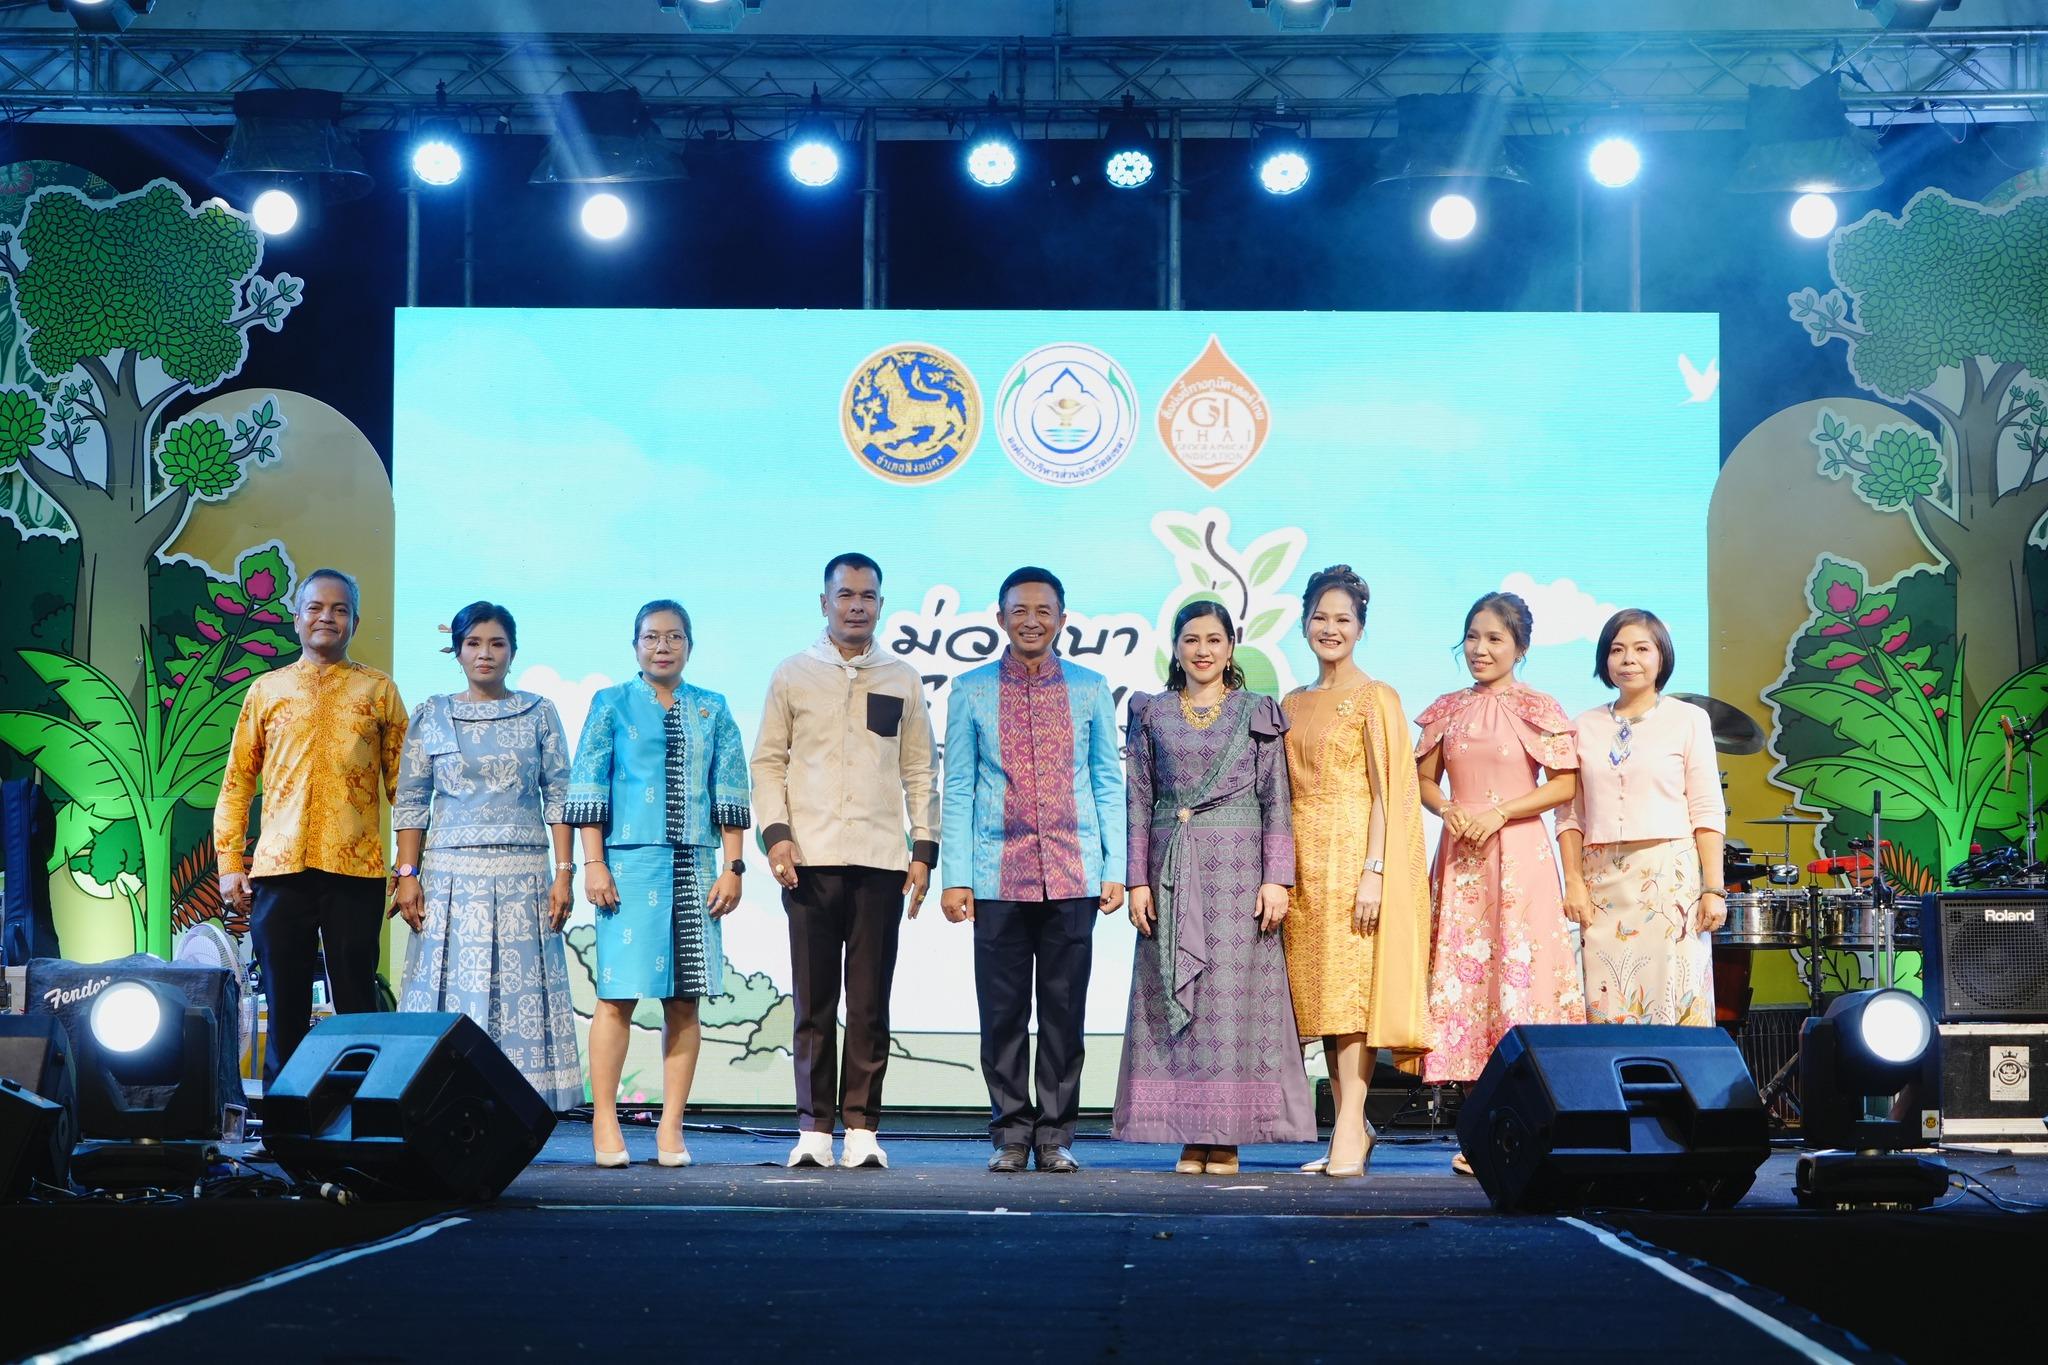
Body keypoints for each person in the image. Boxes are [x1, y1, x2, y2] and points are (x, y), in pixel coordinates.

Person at [752, 553, 939, 1170]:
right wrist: (777, 837)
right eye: (846, 595)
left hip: (882, 862)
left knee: (869, 1002)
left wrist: (923, 850)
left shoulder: (901, 677)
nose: (857, 605)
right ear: (824, 601)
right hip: (807, 861)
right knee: (813, 1003)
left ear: (881, 604)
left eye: (868, 596)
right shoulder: (793, 674)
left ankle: (861, 1128)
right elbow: (768, 762)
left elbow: (920, 769)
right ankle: (813, 1130)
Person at [1114, 600, 1313, 1175]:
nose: (1202, 650)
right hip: (1171, 873)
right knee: (1178, 999)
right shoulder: (1152, 712)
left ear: (1231, 647)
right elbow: (1138, 800)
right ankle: (1188, 1133)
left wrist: (1277, 878)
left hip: (1239, 873)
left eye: (1214, 640)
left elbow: (1277, 799)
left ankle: (1226, 1137)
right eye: (1191, 640)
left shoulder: (1257, 711)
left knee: (1233, 1001)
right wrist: (1136, 880)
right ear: (1175, 648)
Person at [941, 567, 1125, 1175]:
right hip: (996, 875)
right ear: (1000, 619)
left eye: (1044, 610)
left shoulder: (1091, 689)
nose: (1031, 621)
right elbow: (958, 787)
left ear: (1062, 620)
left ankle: (1055, 1135)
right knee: (1002, 1014)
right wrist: (956, 876)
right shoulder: (970, 691)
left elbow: (1107, 782)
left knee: (1064, 1013)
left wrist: (1115, 867)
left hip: (1073, 873)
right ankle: (1011, 1133)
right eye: (1019, 610)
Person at [567, 600, 751, 1168]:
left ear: (689, 645)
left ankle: (671, 1126)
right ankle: (604, 1119)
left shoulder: (712, 708)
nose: (662, 646)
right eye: (651, 637)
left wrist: (734, 867)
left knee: (684, 1002)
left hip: (695, 865)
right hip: (626, 864)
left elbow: (730, 791)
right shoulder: (610, 703)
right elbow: (589, 785)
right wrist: (592, 863)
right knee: (615, 996)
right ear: (635, 645)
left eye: (674, 637)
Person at [215, 567, 408, 1085]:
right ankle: (285, 1120)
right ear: (296, 618)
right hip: (280, 871)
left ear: (355, 623)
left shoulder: (379, 691)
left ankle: (361, 1114)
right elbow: (237, 781)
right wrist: (230, 863)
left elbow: (405, 787)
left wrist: (413, 866)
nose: (328, 618)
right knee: (284, 1007)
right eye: (316, 608)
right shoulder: (266, 690)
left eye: (340, 610)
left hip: (356, 870)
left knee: (357, 1003)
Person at [390, 601, 583, 1112]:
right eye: (473, 643)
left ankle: (521, 1109)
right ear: (456, 651)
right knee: (451, 991)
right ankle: (441, 1103)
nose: (485, 654)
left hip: (525, 877)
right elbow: (412, 800)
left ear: (512, 652)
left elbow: (560, 797)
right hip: (449, 880)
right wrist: (407, 874)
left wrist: (564, 874)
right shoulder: (432, 714)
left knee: (519, 998)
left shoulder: (539, 712)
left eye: (497, 644)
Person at [1415, 592, 1582, 1175]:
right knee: (1467, 988)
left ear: (1521, 647)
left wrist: (1499, 812)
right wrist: (1447, 809)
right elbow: (1424, 781)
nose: (1480, 649)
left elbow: (1563, 785)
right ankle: (1479, 1132)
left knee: (1520, 983)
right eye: (1472, 637)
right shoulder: (1446, 709)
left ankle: (1525, 1127)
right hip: (1462, 860)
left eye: (1494, 639)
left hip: (1519, 860)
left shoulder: (1539, 707)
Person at [1280, 565, 1431, 1178]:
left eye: (1342, 619)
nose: (1330, 628)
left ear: (1361, 629)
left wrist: (1375, 871)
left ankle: (1348, 1127)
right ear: (1303, 624)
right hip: (1301, 866)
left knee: (1351, 998)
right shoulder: (1290, 703)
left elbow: (1387, 792)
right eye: (1320, 617)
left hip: (1353, 862)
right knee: (1318, 998)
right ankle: (1353, 1125)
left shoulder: (1376, 697)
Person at [1557, 609, 1726, 1026]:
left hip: (1668, 879)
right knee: (1606, 1003)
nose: (1628, 659)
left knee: (1672, 997)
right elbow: (1570, 815)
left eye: (1641, 649)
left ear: (1662, 656)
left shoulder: (1689, 719)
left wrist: (1713, 888)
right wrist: (1573, 881)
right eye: (1617, 650)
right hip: (1600, 882)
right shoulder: (1582, 726)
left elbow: (1706, 807)